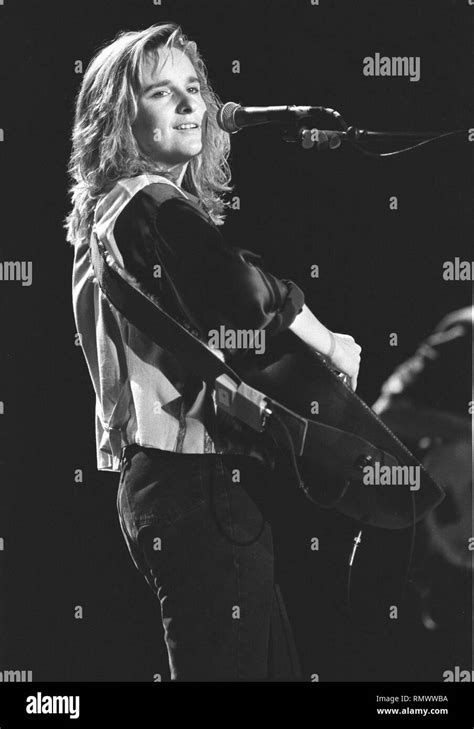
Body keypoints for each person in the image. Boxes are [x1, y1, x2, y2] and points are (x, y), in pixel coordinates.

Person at [65, 22, 361, 681]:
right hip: (195, 488)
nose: (190, 105)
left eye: (194, 88)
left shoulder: (106, 218)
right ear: (118, 116)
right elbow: (247, 294)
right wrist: (327, 337)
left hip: (159, 489)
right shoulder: (150, 202)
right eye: (161, 92)